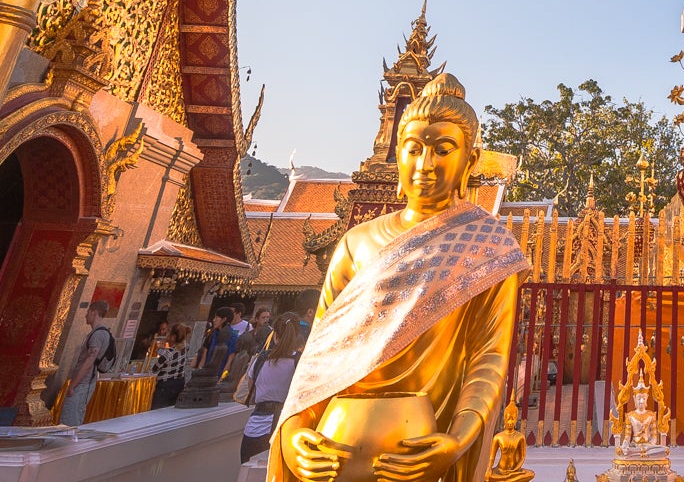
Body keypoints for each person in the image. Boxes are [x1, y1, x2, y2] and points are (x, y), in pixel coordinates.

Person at [268, 69, 528, 482]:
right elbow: (318, 355)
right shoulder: (356, 243)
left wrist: (459, 437)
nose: (425, 164)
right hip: (331, 445)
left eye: (443, 149)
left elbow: (488, 357)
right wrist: (295, 431)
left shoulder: (487, 245)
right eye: (413, 148)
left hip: (419, 445)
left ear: (470, 160)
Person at [241, 314, 304, 462]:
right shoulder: (299, 362)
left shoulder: (260, 359)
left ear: (274, 335)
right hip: (283, 428)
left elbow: (251, 388)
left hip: (254, 426)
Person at [60, 300, 117, 427]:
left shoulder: (98, 335)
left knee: (70, 420)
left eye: (88, 312)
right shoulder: (100, 333)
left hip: (83, 383)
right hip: (85, 382)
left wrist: (73, 386)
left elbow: (89, 362)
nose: (86, 315)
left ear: (94, 312)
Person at [150, 324, 191, 409]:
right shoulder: (185, 348)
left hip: (165, 386)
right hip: (179, 383)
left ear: (173, 337)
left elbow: (155, 369)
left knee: (157, 412)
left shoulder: (168, 353)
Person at [198, 307, 238, 373]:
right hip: (206, 371)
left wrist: (220, 380)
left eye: (216, 318)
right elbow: (204, 354)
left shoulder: (233, 337)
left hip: (218, 373)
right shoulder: (212, 333)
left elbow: (230, 360)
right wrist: (200, 370)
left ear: (224, 319)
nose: (214, 320)